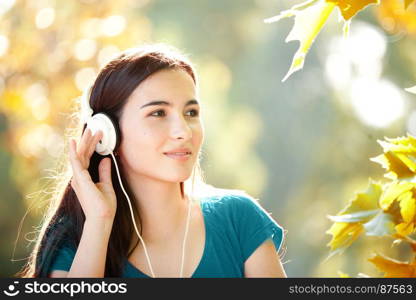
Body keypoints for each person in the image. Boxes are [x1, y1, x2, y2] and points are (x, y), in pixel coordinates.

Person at [18, 43, 287, 278]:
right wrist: (99, 223)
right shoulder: (74, 242)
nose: (183, 131)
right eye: (158, 113)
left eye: (191, 112)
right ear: (107, 134)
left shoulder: (239, 220)